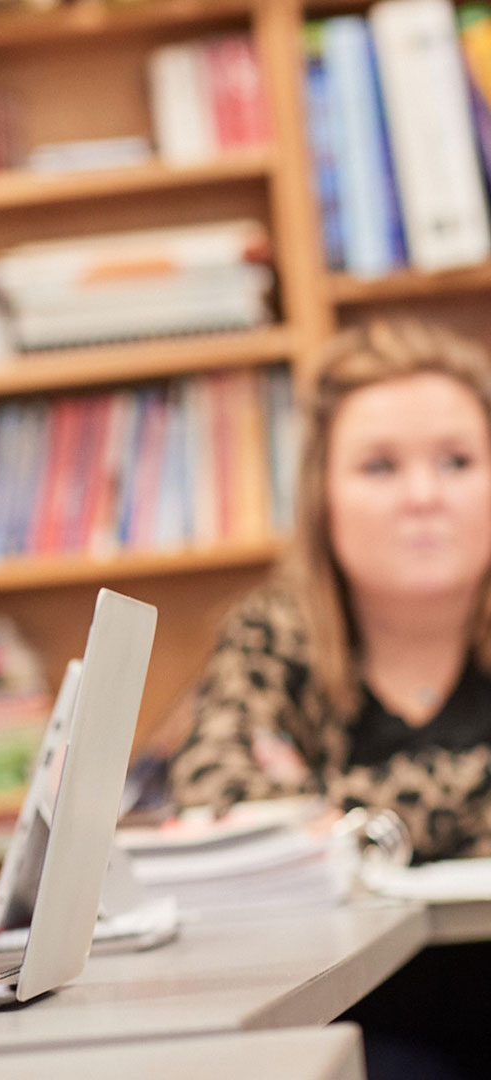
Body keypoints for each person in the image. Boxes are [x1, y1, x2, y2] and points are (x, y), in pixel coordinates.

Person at [169, 317, 491, 1080]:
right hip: (352, 1037)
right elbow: (215, 806)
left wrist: (328, 813)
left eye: (456, 462)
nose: (423, 497)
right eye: (380, 467)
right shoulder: (273, 631)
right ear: (323, 496)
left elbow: (283, 825)